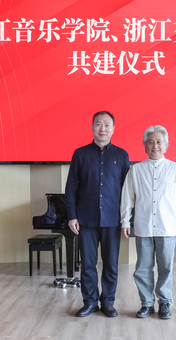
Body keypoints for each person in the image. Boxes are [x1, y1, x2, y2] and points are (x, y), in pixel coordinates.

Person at [120, 125, 176, 320]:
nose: (155, 146)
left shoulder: (175, 169)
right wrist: (125, 221)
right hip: (143, 226)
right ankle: (147, 304)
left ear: (166, 145)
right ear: (145, 146)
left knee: (166, 267)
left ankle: (165, 303)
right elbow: (127, 198)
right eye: (150, 142)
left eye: (159, 142)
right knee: (143, 268)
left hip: (167, 227)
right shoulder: (136, 170)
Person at [65, 111, 130, 318]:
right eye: (98, 124)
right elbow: (71, 187)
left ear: (113, 129)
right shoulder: (80, 154)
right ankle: (90, 302)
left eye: (107, 125)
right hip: (86, 219)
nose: (103, 129)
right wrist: (72, 216)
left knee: (111, 264)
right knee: (88, 264)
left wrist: (126, 219)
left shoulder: (121, 155)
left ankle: (108, 302)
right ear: (92, 127)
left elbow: (127, 191)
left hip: (112, 219)